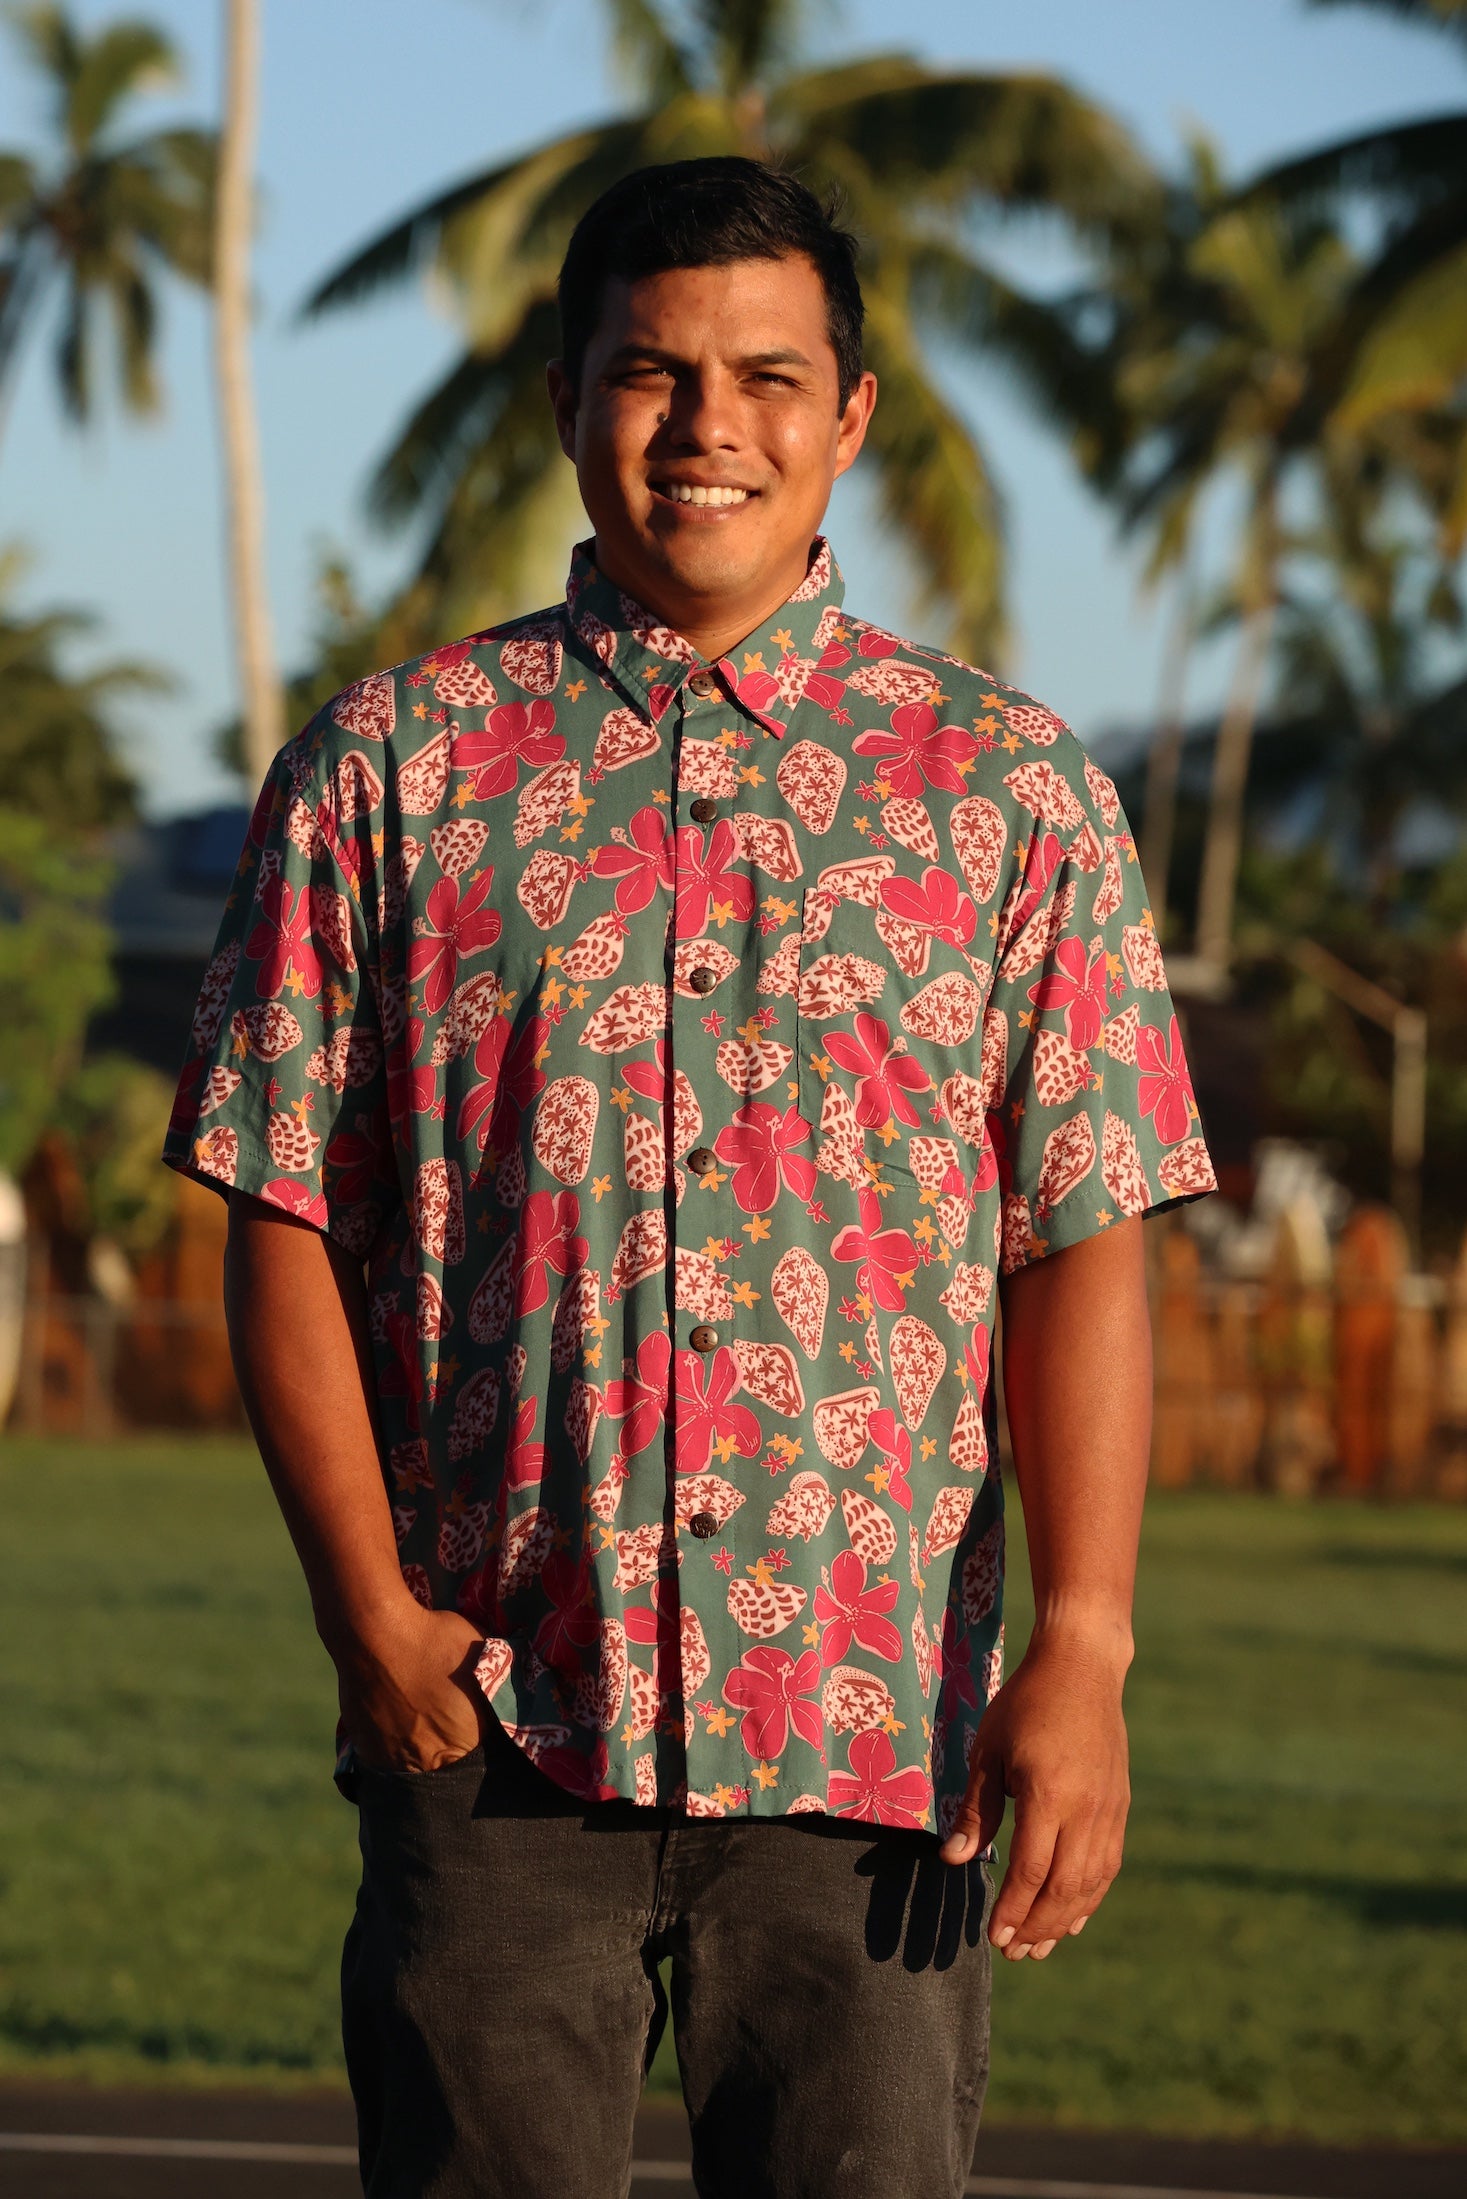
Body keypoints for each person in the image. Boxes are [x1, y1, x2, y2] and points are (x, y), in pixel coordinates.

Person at [163, 156, 1216, 2199]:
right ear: (567, 400)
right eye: (649, 372)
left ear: (850, 416)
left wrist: (1077, 1646)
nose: (706, 423)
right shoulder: (392, 769)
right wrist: (365, 1616)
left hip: (869, 1746)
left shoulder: (1007, 791)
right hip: (493, 1736)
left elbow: (1076, 1232)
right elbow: (276, 1204)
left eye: (764, 374)